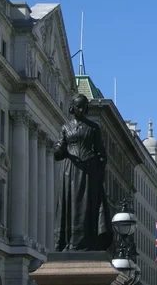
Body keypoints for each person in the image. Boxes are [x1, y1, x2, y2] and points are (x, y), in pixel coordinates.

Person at [54, 94, 112, 251]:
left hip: (88, 173)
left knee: (86, 205)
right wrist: (59, 149)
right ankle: (67, 241)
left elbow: (101, 154)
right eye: (78, 106)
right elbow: (58, 151)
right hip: (69, 170)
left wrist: (96, 167)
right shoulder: (65, 128)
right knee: (69, 203)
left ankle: (86, 241)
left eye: (84, 106)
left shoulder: (93, 128)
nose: (81, 109)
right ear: (72, 107)